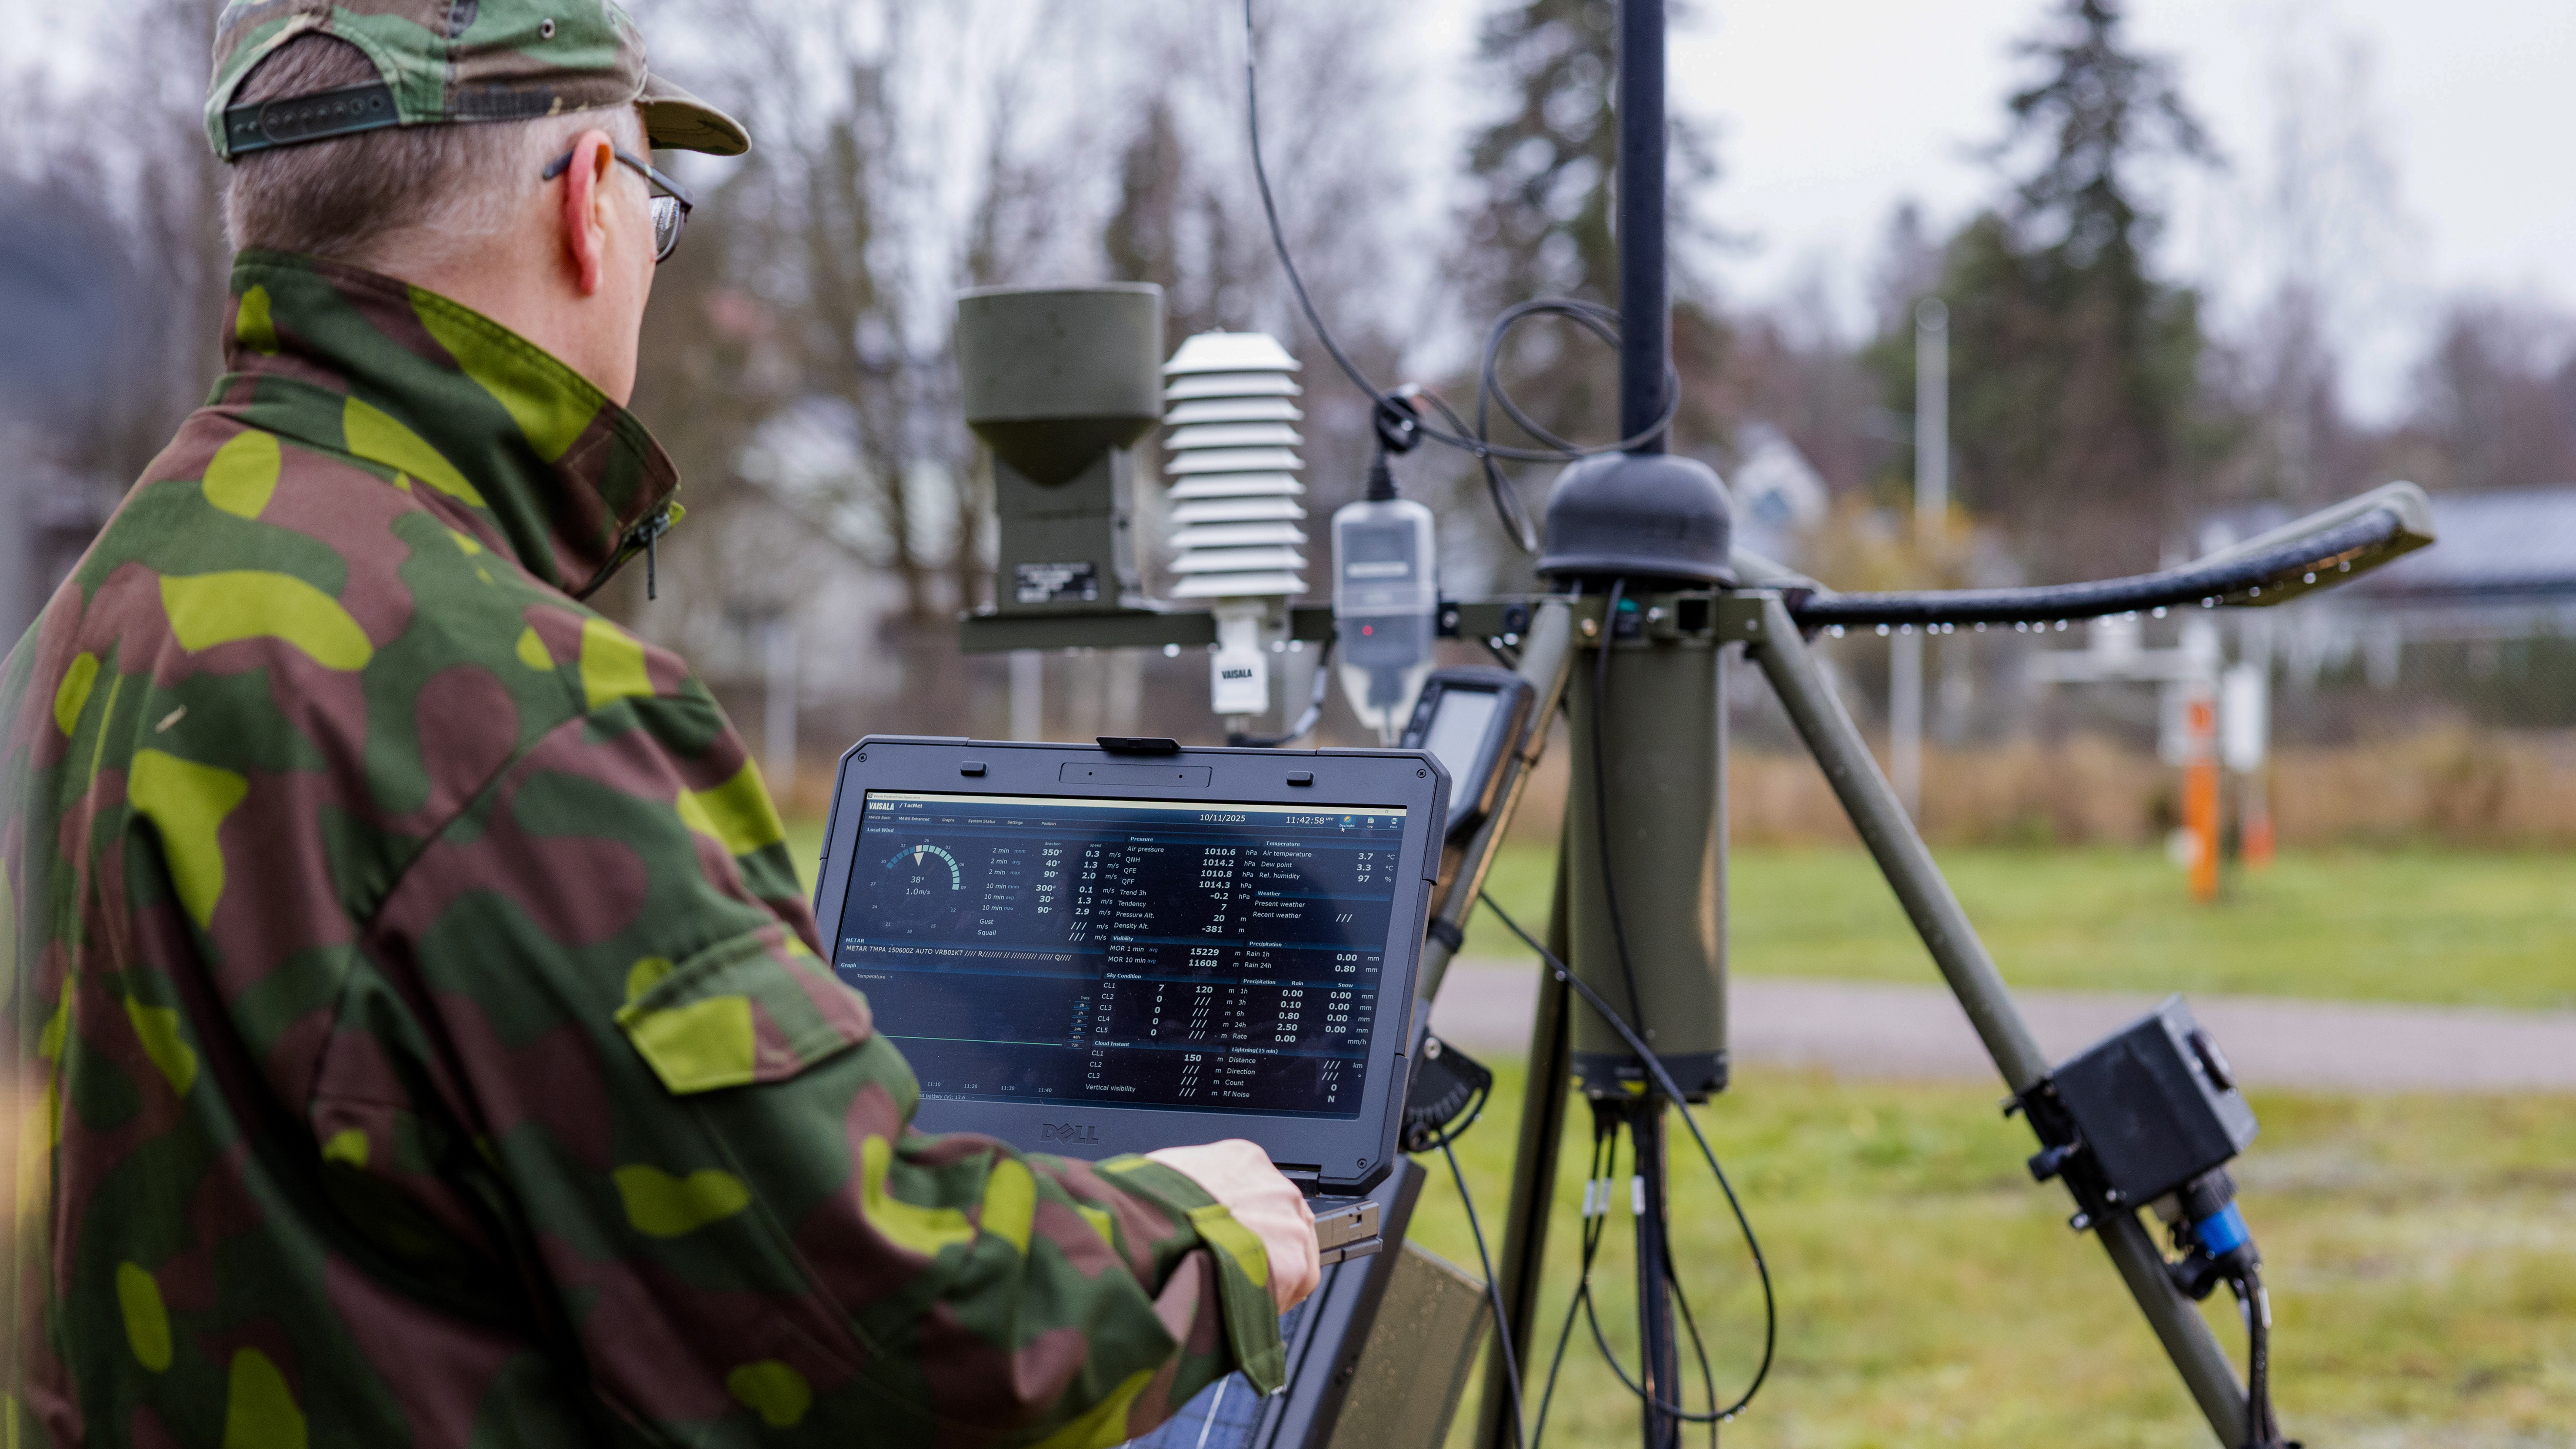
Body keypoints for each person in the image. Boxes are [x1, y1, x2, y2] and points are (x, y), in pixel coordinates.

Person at [0, 2, 1316, 1442]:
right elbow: (896, 1339)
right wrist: (1203, 1233)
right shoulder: (516, 712)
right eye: (652, 199)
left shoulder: (86, 622)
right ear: (588, 203)